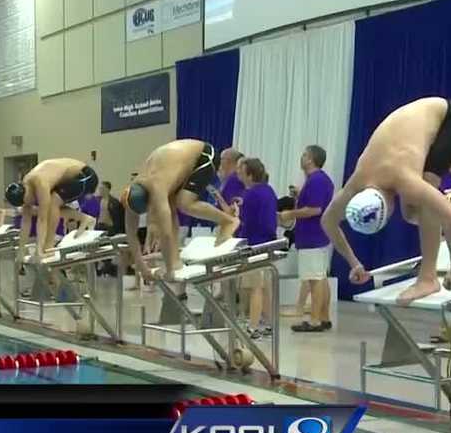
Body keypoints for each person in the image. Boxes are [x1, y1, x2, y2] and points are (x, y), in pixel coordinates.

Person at [321, 98, 451, 306]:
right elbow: (328, 221)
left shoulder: (404, 179)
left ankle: (428, 278)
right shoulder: (358, 181)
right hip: (418, 120)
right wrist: (355, 264)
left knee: (425, 197)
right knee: (411, 213)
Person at [123, 139, 241, 281]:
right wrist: (143, 268)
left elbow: (166, 234)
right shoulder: (130, 193)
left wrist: (169, 271)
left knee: (183, 202)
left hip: (203, 155)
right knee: (172, 207)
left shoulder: (157, 188)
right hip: (174, 162)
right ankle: (175, 262)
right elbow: (130, 234)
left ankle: (228, 221)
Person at [280, 145, 336, 333]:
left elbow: (315, 209)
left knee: (315, 279)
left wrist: (290, 214)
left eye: (304, 155)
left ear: (311, 159)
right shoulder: (316, 180)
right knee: (320, 277)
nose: (301, 158)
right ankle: (324, 317)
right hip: (315, 236)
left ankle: (314, 320)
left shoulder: (317, 180)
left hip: (313, 236)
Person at [5, 158, 99, 260]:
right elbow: (26, 221)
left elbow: (42, 219)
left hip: (86, 175)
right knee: (51, 205)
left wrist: (40, 249)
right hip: (70, 178)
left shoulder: (40, 183)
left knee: (53, 202)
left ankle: (49, 247)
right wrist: (21, 251)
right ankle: (85, 218)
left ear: (25, 192)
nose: (28, 203)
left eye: (26, 201)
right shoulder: (26, 187)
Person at [236, 159, 278, 339]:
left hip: (254, 244)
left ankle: (252, 327)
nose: (239, 174)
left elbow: (247, 222)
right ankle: (268, 324)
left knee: (255, 288)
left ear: (250, 175)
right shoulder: (268, 191)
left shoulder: (251, 194)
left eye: (241, 171)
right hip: (268, 243)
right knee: (265, 286)